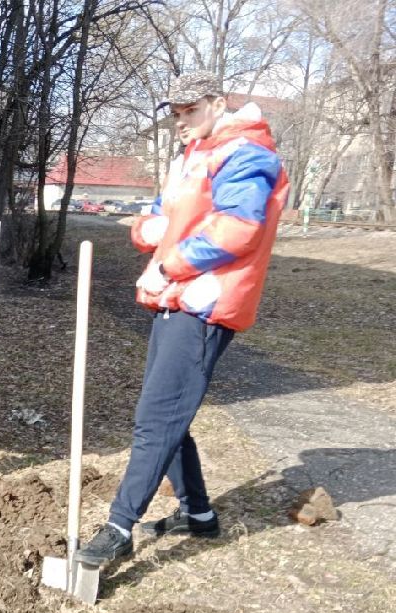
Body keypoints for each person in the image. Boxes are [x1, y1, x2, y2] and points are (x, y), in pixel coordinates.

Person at [75, 71, 289, 565]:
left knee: (156, 418)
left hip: (206, 302)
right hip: (174, 298)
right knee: (170, 415)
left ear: (218, 103)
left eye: (190, 111)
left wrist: (170, 265)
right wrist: (149, 231)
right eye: (175, 114)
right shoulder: (193, 157)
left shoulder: (247, 153)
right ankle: (197, 515)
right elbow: (166, 216)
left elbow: (238, 229)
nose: (181, 122)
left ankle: (118, 528)